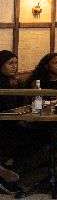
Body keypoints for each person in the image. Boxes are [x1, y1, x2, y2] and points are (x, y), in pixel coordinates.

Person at [0, 51, 27, 197]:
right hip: (5, 124)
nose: (14, 66)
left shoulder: (14, 81)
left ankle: (10, 173)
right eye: (10, 63)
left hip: (11, 122)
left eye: (16, 63)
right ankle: (7, 176)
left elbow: (20, 105)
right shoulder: (3, 82)